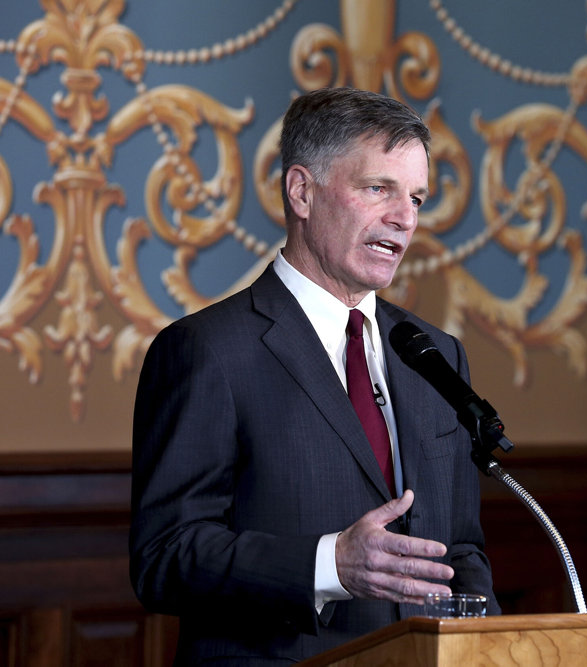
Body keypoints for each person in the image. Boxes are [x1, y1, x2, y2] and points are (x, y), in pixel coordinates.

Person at [130, 87, 499, 664]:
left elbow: (462, 550)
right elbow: (165, 558)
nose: (404, 218)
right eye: (379, 188)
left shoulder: (436, 356)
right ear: (302, 191)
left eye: (417, 198)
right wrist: (330, 565)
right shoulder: (207, 351)